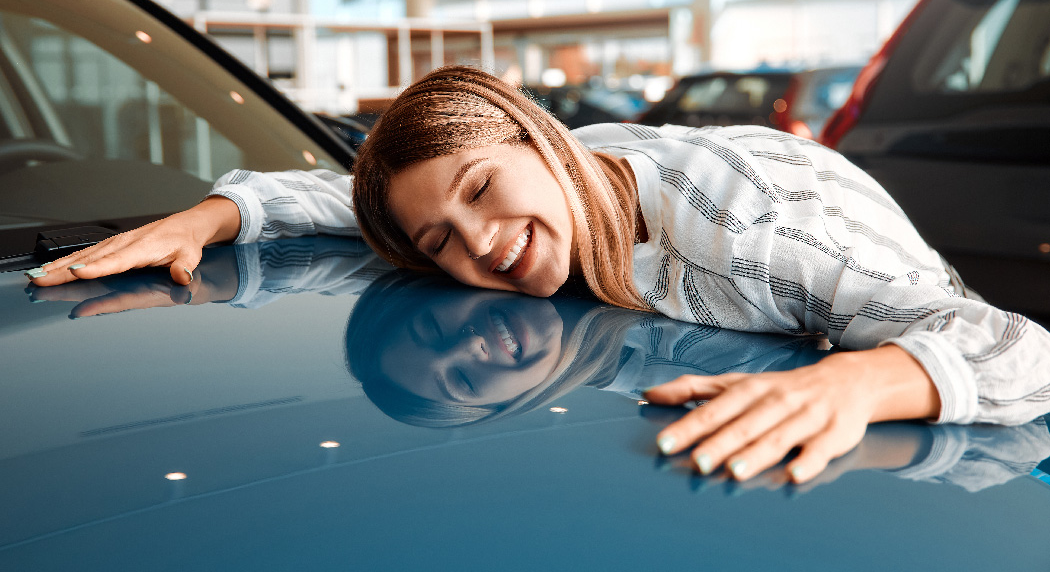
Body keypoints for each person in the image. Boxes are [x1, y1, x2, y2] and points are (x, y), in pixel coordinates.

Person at [28, 65, 1050, 484]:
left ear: (540, 138)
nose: (483, 245)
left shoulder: (754, 223)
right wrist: (219, 212)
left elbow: (1015, 344)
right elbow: (359, 199)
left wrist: (850, 381)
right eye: (442, 246)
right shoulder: (548, 178)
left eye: (482, 189)